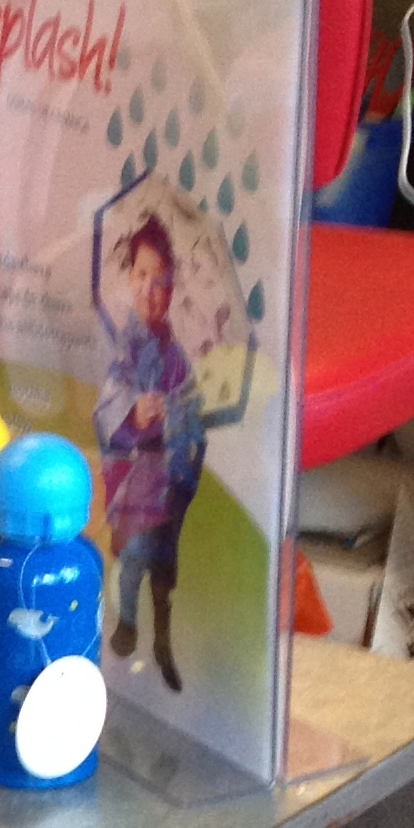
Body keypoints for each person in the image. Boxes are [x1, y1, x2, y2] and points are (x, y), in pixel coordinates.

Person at [92, 212, 245, 694]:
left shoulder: (176, 356)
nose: (151, 290)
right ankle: (126, 624)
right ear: (129, 278)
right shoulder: (124, 346)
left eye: (162, 281)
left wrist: (183, 416)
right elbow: (106, 405)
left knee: (165, 562)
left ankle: (162, 640)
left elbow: (192, 407)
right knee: (134, 555)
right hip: (136, 476)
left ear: (173, 289)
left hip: (171, 475)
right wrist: (133, 411)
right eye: (142, 275)